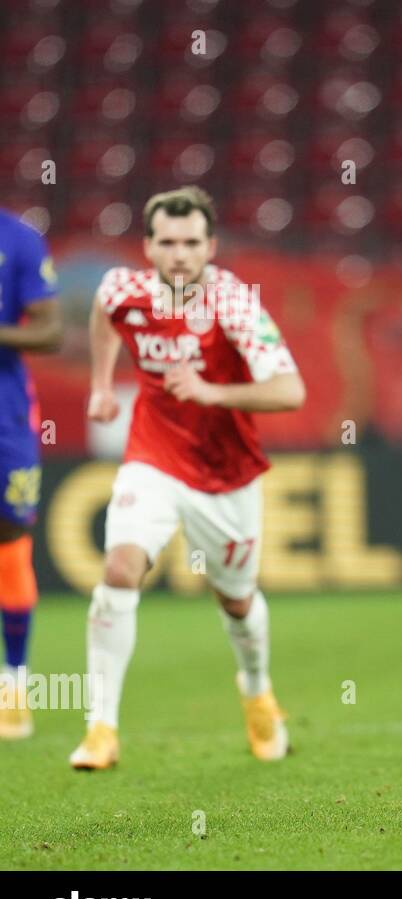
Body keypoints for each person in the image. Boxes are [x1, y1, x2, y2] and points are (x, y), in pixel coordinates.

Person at [71, 186, 306, 770]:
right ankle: (101, 726)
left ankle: (256, 690)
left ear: (211, 246)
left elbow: (290, 390)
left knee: (235, 599)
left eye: (191, 243)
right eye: (168, 243)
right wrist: (102, 385)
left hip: (225, 475)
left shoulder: (234, 304)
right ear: (148, 247)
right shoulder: (123, 289)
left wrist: (211, 392)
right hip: (152, 456)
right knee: (120, 567)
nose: (179, 254)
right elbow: (105, 316)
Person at [0, 209, 62, 740]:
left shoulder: (16, 238)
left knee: (10, 539)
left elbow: (49, 329)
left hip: (6, 412)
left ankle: (14, 685)